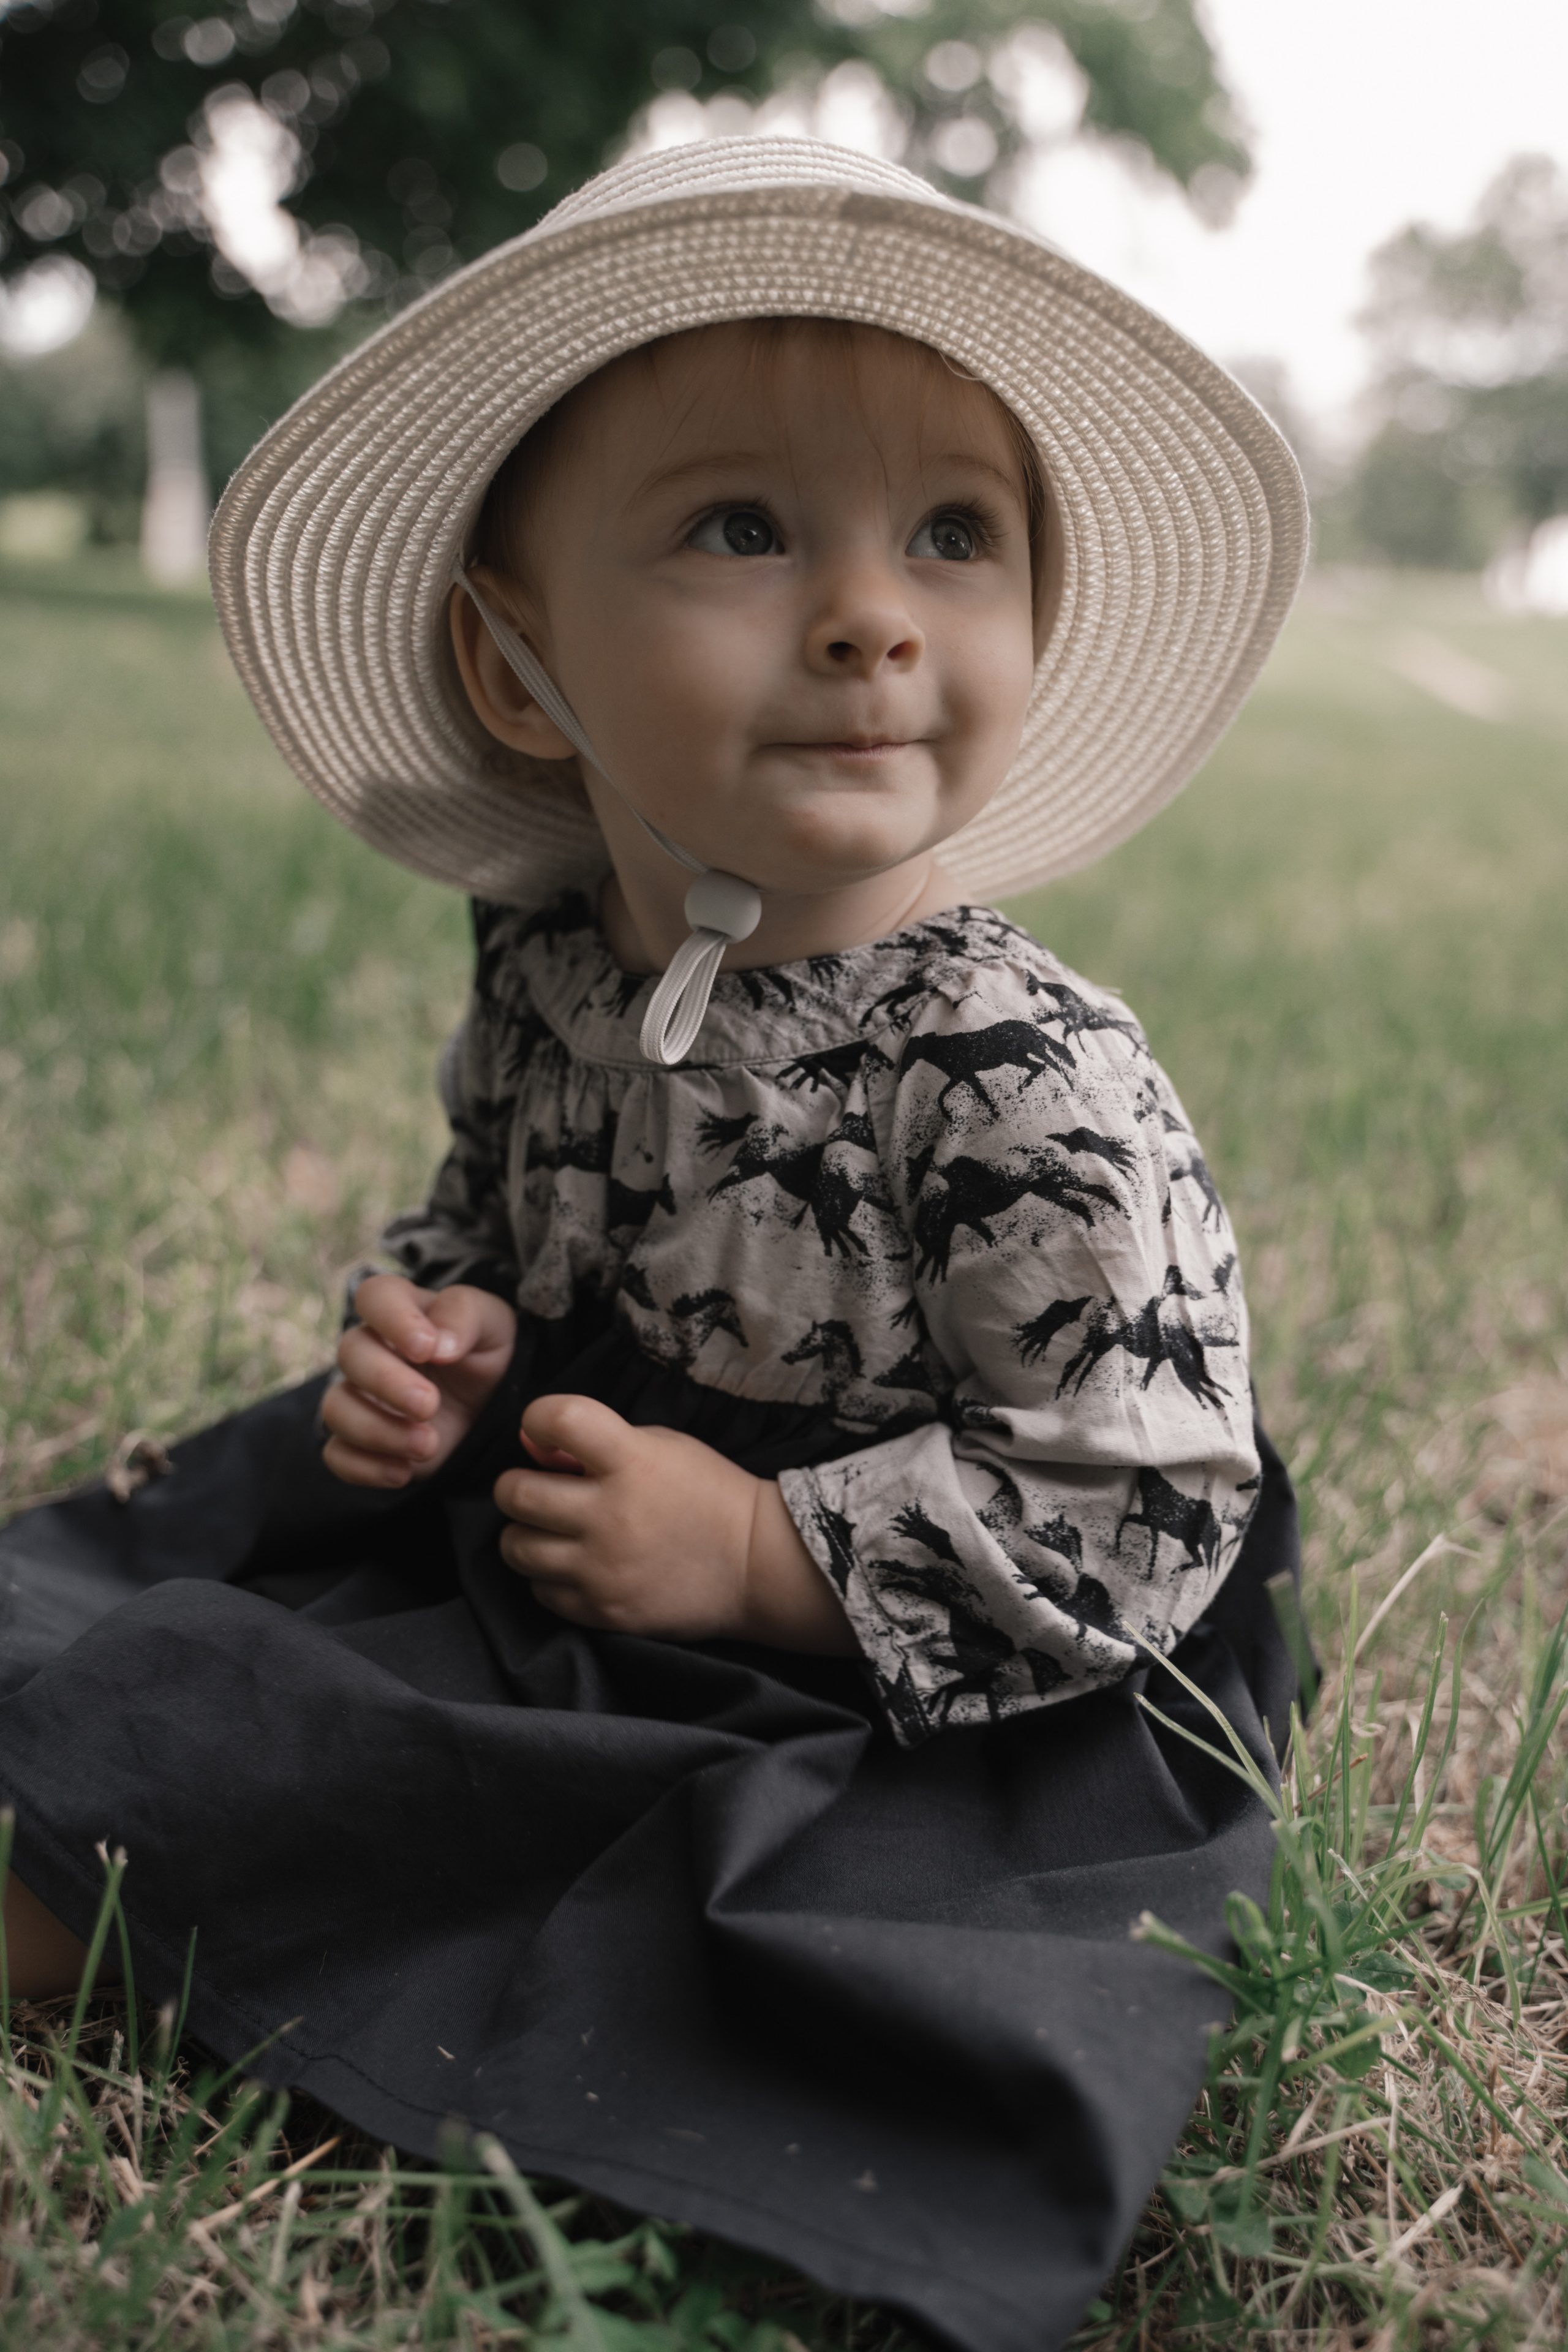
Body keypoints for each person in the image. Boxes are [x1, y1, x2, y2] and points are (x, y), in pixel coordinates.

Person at [0, 141, 1308, 2352]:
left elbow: (1149, 1489)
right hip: (582, 1492)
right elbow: (495, 1215)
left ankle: (111, 1876)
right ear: (517, 673)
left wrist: (762, 1559)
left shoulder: (1022, 1072)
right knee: (210, 1631)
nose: (874, 610)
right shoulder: (546, 959)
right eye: (742, 527)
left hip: (949, 1648)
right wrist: (437, 1329)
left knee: (483, 1816)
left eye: (954, 538)